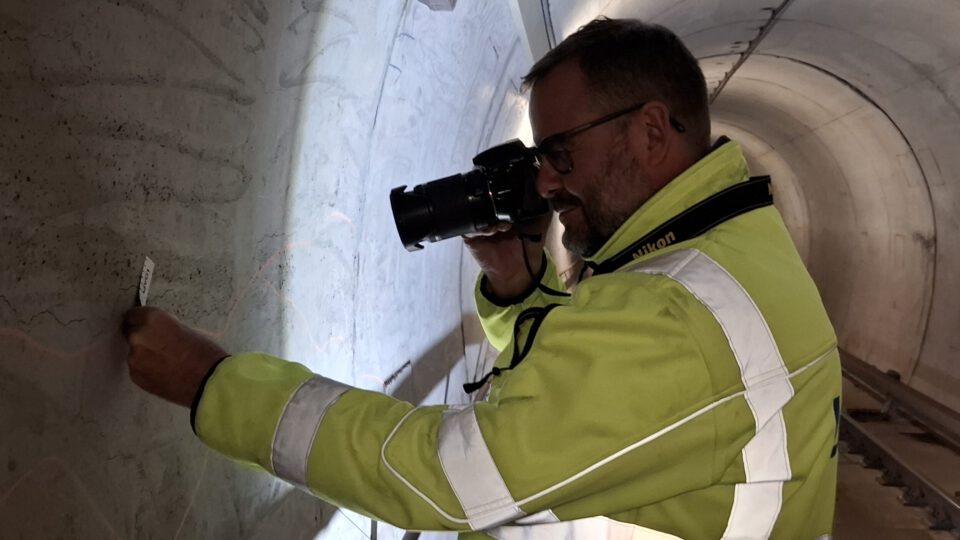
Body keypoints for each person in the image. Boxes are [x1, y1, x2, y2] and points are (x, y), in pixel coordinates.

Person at [124, 18, 841, 539]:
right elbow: (605, 392)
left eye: (560, 153)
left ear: (652, 132)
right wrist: (518, 289)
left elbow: (446, 479)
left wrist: (213, 384)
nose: (547, 182)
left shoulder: (674, 317)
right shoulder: (729, 252)